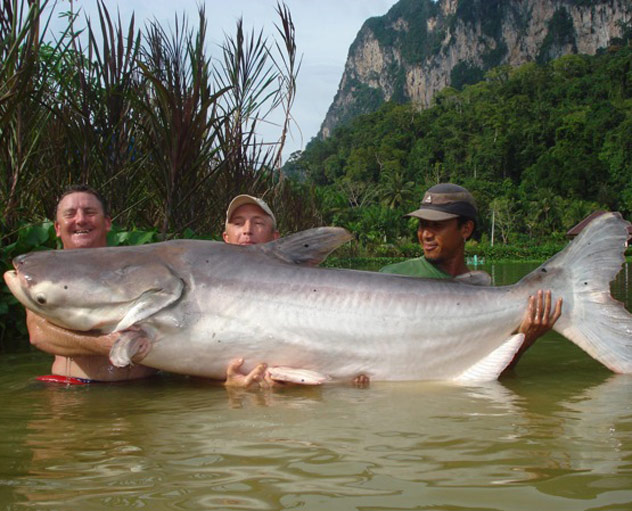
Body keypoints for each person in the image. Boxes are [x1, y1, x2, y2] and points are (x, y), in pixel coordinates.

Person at [380, 183, 563, 371]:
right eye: (422, 225)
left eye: (437, 226)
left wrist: (526, 337)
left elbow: (492, 376)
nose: (425, 234)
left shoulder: (488, 299)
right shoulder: (392, 278)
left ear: (466, 229)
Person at [27, 184, 155, 384]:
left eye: (89, 212)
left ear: (107, 223)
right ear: (58, 228)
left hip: (146, 389)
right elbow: (40, 333)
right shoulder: (44, 274)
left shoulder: (138, 268)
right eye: (70, 214)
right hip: (75, 395)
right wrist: (109, 345)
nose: (80, 220)